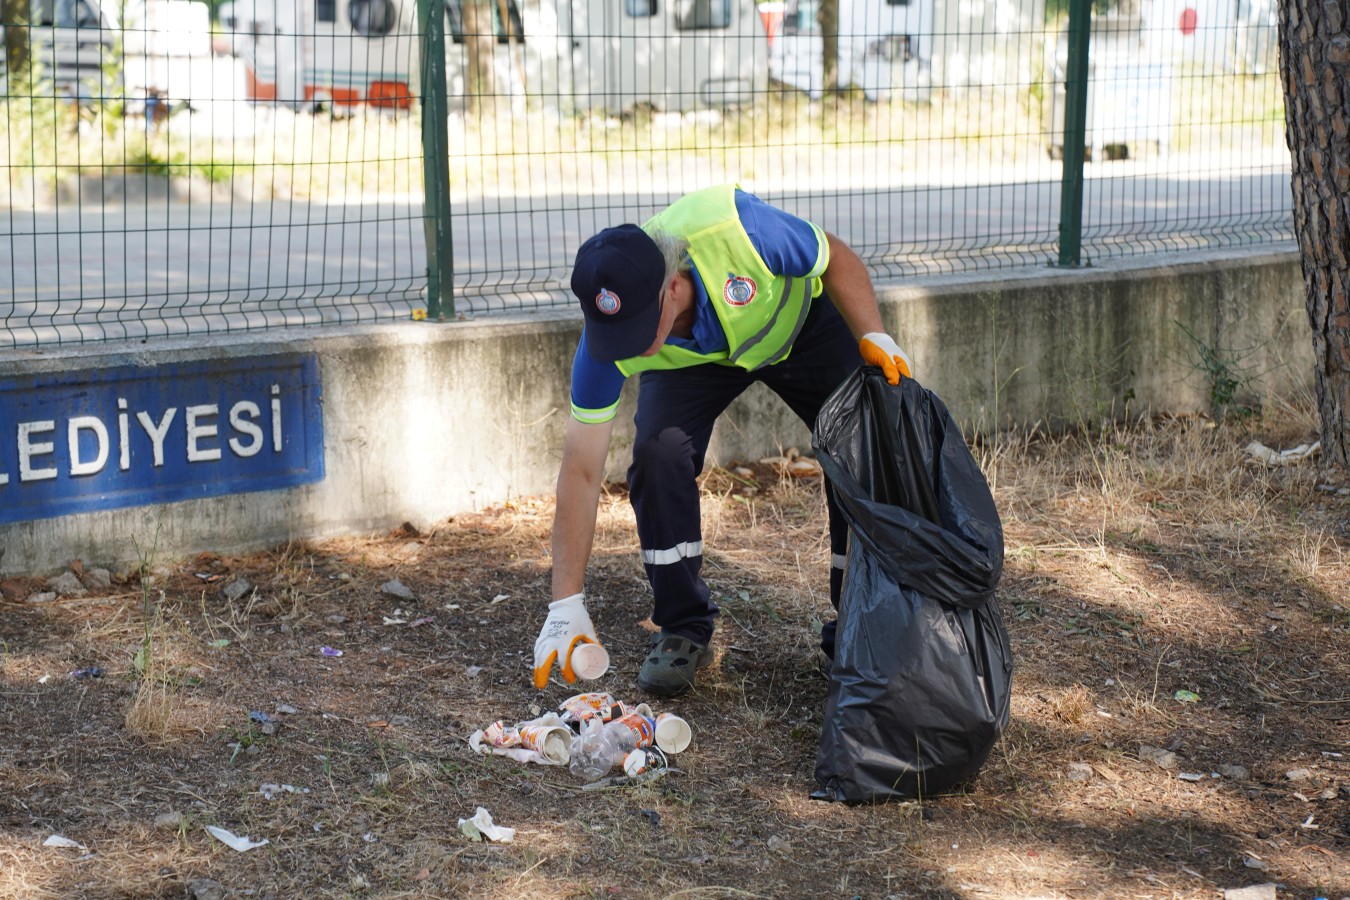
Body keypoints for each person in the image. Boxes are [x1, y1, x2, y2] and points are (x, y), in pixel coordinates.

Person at [532, 184, 912, 697]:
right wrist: (565, 604)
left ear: (671, 286)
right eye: (619, 336)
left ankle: (856, 623)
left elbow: (835, 256)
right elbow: (580, 471)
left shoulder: (736, 229)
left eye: (641, 328)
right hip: (694, 366)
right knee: (656, 455)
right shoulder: (611, 341)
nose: (634, 347)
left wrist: (873, 334)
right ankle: (683, 625)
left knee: (860, 446)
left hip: (800, 328)